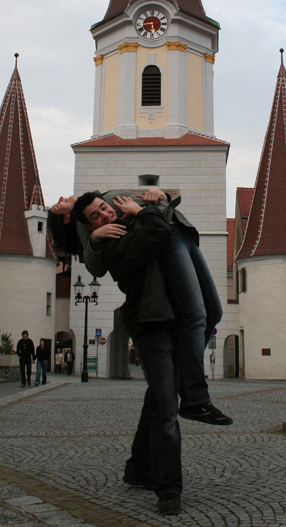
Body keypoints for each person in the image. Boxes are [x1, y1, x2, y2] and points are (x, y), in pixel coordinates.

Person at [49, 188, 230, 425]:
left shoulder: (98, 198)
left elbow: (170, 195)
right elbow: (95, 266)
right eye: (56, 205)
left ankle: (181, 384)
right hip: (166, 236)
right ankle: (194, 398)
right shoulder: (83, 223)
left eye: (103, 208)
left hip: (182, 230)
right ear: (65, 218)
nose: (61, 198)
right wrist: (96, 237)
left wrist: (161, 194)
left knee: (213, 312)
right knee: (195, 314)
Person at [75, 193, 183, 515]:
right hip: (149, 324)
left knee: (158, 398)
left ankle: (138, 467)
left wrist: (157, 199)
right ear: (91, 226)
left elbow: (168, 221)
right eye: (96, 216)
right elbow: (161, 233)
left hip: (172, 318)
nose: (105, 214)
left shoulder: (131, 225)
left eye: (104, 207)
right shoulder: (113, 245)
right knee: (166, 406)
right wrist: (144, 210)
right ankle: (169, 488)